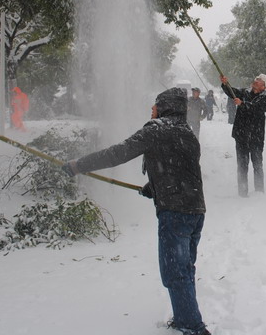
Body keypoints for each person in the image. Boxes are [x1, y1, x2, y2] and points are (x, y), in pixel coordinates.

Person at [60, 88, 210, 335]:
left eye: (155, 105)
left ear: (166, 107)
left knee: (174, 272)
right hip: (195, 210)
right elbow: (182, 170)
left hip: (174, 212)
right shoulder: (187, 133)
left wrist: (79, 165)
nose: (152, 110)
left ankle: (193, 327)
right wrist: (154, 187)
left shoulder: (157, 129)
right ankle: (186, 317)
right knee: (185, 269)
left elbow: (118, 153)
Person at [220, 74, 266, 197]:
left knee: (257, 164)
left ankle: (259, 191)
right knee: (242, 165)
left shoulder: (265, 97)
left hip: (256, 136)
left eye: (259, 80)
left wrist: (242, 104)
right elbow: (232, 92)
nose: (256, 80)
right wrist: (225, 84)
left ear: (264, 86)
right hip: (241, 135)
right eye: (256, 79)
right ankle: (242, 192)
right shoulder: (244, 92)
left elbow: (257, 109)